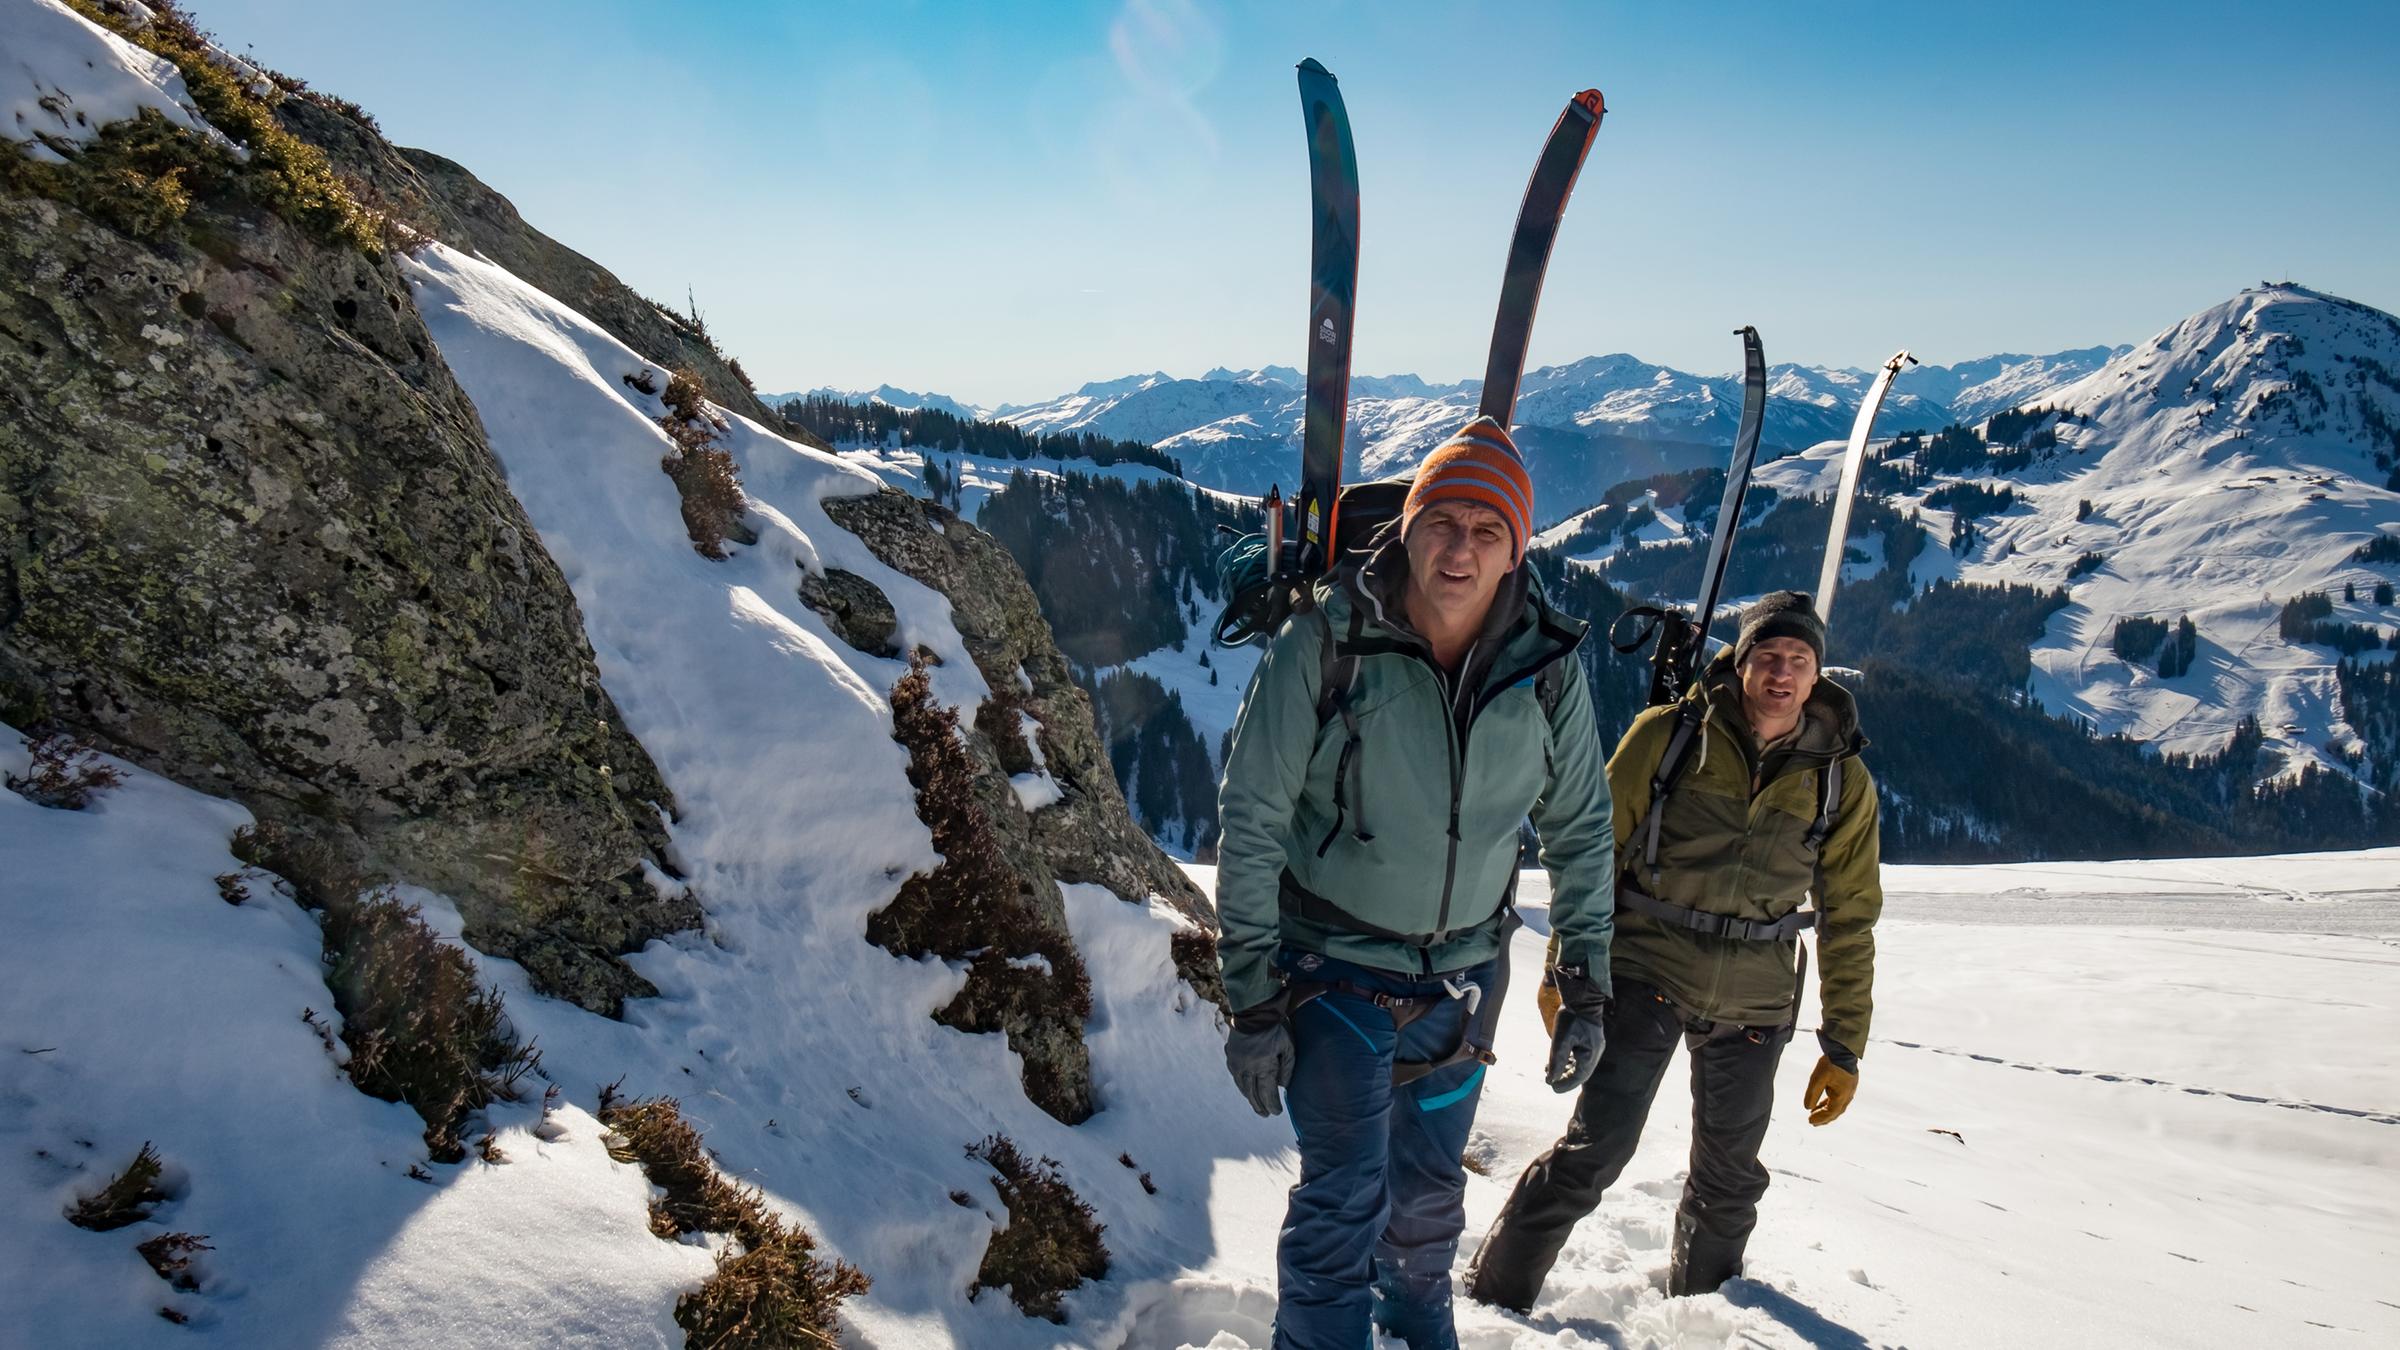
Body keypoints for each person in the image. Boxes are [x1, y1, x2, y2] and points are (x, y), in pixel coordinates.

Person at [1215, 416, 1617, 1350]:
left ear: (1516, 550)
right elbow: (1253, 818)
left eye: (1488, 530)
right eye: (1443, 521)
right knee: (1345, 1193)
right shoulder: (1327, 643)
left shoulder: (1547, 667)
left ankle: (1419, 1330)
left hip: (1463, 982)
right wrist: (1252, 999)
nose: (1461, 548)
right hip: (1331, 969)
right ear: (1408, 527)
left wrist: (1586, 983)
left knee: (1430, 1201)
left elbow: (1583, 829)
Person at [1467, 589, 1884, 1309]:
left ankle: (1703, 1317)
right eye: (1768, 656)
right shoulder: (1669, 736)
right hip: (1647, 969)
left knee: (1728, 1180)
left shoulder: (1841, 781)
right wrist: (1565, 965)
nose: (1781, 674)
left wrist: (1844, 1043)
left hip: (1757, 996)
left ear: (1818, 676)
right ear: (1741, 660)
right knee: (1595, 1152)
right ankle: (1494, 1300)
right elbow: (1594, 851)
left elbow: (1850, 917)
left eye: (1798, 660)